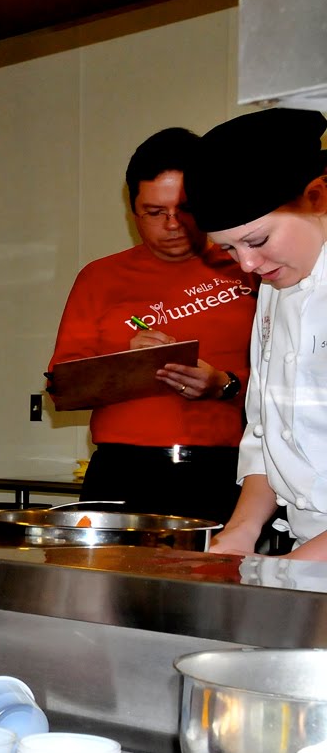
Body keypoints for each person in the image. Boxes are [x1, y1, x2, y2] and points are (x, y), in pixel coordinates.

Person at [46, 127, 258, 523]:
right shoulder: (100, 278)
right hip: (123, 472)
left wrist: (225, 385)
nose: (173, 224)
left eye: (186, 209)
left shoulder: (250, 268)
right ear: (133, 212)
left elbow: (292, 379)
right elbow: (62, 387)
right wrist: (124, 365)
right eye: (155, 212)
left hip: (224, 470)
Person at [185, 108, 327, 559]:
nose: (247, 264)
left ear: (318, 197)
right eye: (228, 248)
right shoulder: (274, 283)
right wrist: (240, 531)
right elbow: (267, 430)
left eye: (258, 240)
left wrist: (293, 571)